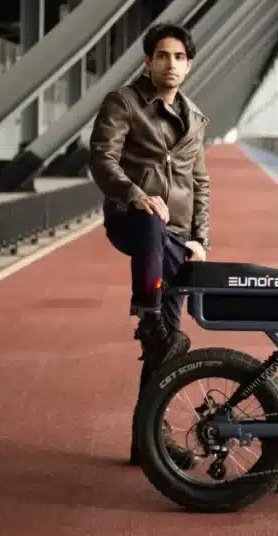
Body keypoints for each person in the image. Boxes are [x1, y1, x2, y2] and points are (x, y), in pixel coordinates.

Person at [88, 22, 210, 466]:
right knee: (151, 222)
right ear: (148, 61)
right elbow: (101, 157)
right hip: (133, 220)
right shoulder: (124, 102)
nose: (171, 64)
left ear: (189, 64)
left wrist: (201, 239)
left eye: (179, 57)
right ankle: (149, 316)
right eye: (162, 55)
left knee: (165, 349)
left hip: (176, 238)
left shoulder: (196, 119)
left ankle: (147, 442)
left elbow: (200, 182)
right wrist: (135, 194)